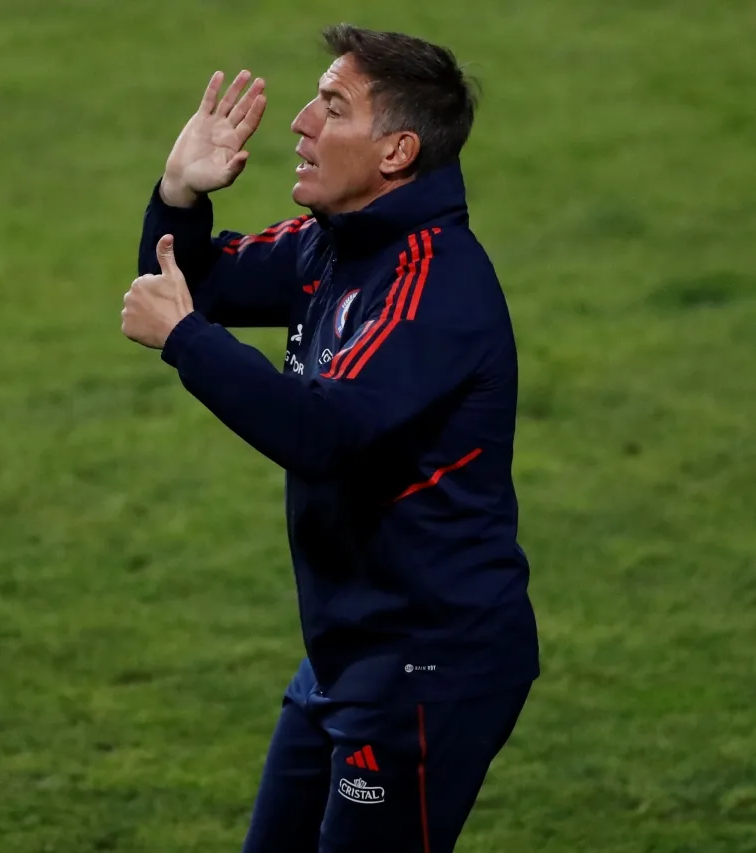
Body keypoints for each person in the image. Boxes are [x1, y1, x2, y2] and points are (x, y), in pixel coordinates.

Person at [122, 23, 539, 853]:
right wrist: (180, 194)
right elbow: (188, 283)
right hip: (347, 654)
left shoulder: (435, 280)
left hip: (428, 665)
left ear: (395, 152)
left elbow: (323, 431)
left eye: (332, 107)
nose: (299, 123)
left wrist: (186, 341)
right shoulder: (335, 245)